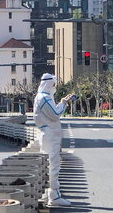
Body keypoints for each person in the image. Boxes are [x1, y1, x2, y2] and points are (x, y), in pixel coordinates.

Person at [34, 73, 74, 208]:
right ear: (49, 84)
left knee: (49, 164)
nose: (54, 87)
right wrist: (62, 103)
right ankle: (54, 195)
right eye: (54, 85)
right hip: (50, 135)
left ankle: (48, 192)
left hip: (48, 134)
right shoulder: (44, 98)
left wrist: (62, 103)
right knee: (53, 164)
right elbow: (55, 114)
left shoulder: (42, 97)